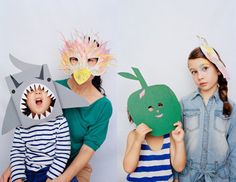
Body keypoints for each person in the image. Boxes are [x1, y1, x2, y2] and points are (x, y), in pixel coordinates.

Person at [1, 32, 113, 182]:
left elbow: (88, 149)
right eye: (75, 59)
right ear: (67, 60)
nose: (82, 65)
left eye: (91, 60)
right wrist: (14, 168)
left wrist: (64, 178)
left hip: (74, 166)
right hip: (37, 162)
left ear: (101, 64)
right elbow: (29, 127)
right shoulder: (49, 89)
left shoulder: (103, 106)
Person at [178, 37, 236, 181]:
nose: (199, 76)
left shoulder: (230, 107)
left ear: (217, 69)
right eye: (193, 71)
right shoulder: (185, 103)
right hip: (188, 176)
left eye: (205, 68)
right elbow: (175, 142)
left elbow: (234, 149)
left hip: (220, 177)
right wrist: (176, 176)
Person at [10, 84, 71, 182]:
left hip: (53, 170)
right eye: (31, 91)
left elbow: (63, 153)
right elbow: (17, 152)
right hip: (28, 172)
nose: (38, 92)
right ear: (25, 101)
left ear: (51, 98)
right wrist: (17, 177)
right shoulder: (21, 126)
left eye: (43, 90)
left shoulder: (60, 122)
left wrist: (51, 177)